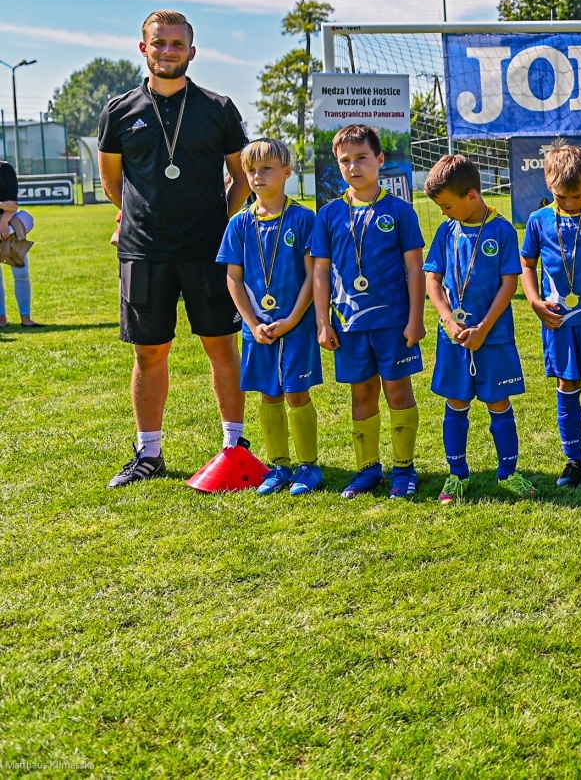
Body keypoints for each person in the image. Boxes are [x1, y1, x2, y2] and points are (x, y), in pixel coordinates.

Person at [101, 10, 251, 488]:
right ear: (143, 48)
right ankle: (149, 453)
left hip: (208, 251)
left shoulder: (218, 107)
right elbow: (113, 182)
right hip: (144, 252)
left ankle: (234, 447)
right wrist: (139, 218)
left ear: (192, 51)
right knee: (150, 353)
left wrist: (219, 225)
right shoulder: (119, 111)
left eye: (177, 43)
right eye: (159, 42)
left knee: (221, 347)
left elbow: (241, 177)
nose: (168, 50)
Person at [311, 124, 426, 499]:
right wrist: (323, 322)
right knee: (361, 394)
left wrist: (415, 319)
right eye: (345, 161)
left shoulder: (400, 211)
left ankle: (404, 470)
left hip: (393, 322)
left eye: (361, 158)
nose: (353, 167)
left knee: (397, 391)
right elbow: (321, 271)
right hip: (349, 325)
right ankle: (367, 470)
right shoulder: (328, 215)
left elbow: (414, 268)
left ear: (379, 160)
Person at [422, 154, 533, 503]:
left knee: (498, 402)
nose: (443, 213)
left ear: (471, 196)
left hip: (493, 336)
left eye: (446, 206)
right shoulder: (446, 230)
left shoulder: (501, 230)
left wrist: (484, 327)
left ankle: (508, 473)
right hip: (454, 337)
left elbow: (508, 284)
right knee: (456, 402)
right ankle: (457, 475)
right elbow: (433, 280)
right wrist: (447, 319)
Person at [217, 139, 322, 495]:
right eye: (251, 171)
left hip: (297, 326)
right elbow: (233, 277)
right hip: (257, 329)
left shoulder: (305, 219)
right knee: (268, 395)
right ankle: (279, 466)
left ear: (287, 173)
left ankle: (308, 466)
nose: (258, 176)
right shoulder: (238, 224)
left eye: (266, 169)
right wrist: (251, 323)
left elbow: (313, 276)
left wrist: (292, 319)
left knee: (296, 393)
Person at [521, 143, 581, 489]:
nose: (570, 203)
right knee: (566, 386)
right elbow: (527, 264)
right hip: (558, 323)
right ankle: (573, 461)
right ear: (550, 188)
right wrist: (534, 301)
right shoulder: (538, 221)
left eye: (576, 196)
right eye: (562, 197)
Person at [0, 158, 36, 327]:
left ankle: (26, 318)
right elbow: (5, 204)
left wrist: (3, 222)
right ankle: (1, 319)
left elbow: (12, 204)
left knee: (21, 272)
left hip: (10, 229)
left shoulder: (5, 168)